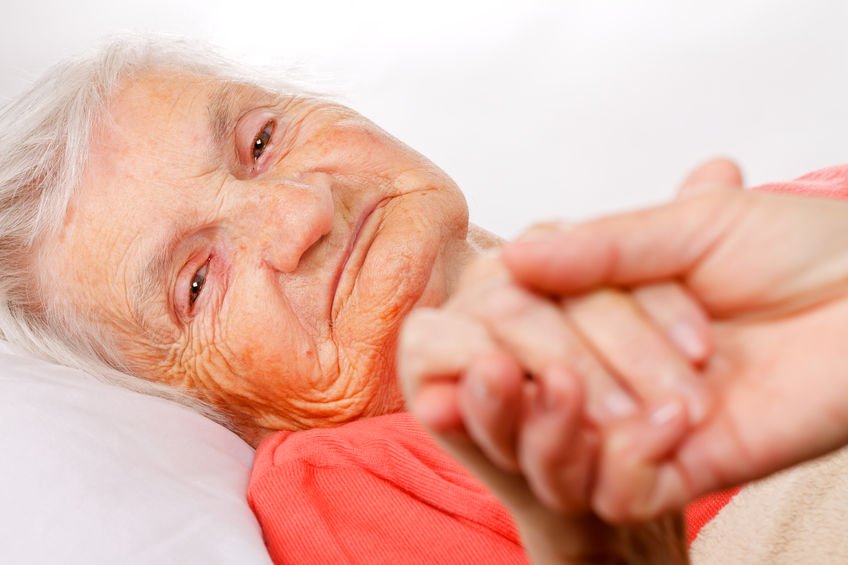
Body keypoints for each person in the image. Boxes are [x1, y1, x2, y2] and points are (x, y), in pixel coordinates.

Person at [0, 37, 701, 563]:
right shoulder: (341, 492)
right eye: (197, 282)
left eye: (261, 141)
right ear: (192, 406)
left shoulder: (702, 243)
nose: (300, 210)